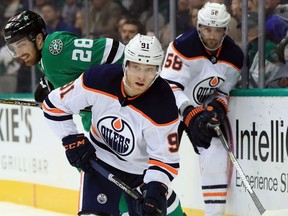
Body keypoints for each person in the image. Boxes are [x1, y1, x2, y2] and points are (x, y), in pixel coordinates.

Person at [4, 10, 186, 216]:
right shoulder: (59, 65)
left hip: (125, 123)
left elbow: (112, 49)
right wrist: (54, 90)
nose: (18, 53)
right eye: (13, 48)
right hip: (103, 129)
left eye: (20, 45)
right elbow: (57, 103)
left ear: (37, 38)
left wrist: (117, 86)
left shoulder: (55, 51)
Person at [42, 33, 181, 216]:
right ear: (125, 64)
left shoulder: (163, 104)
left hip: (140, 175)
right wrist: (71, 140)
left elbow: (165, 159)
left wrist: (155, 189)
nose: (141, 76)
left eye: (149, 69)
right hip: (99, 163)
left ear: (157, 70)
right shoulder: (98, 79)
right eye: (136, 67)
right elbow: (53, 105)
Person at [160, 2, 244, 216]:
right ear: (199, 27)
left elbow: (223, 92)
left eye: (218, 30)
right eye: (207, 28)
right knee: (156, 160)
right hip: (169, 108)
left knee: (215, 153)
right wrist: (189, 112)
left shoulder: (234, 56)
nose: (212, 35)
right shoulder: (182, 47)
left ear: (225, 30)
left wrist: (217, 107)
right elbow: (168, 88)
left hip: (198, 110)